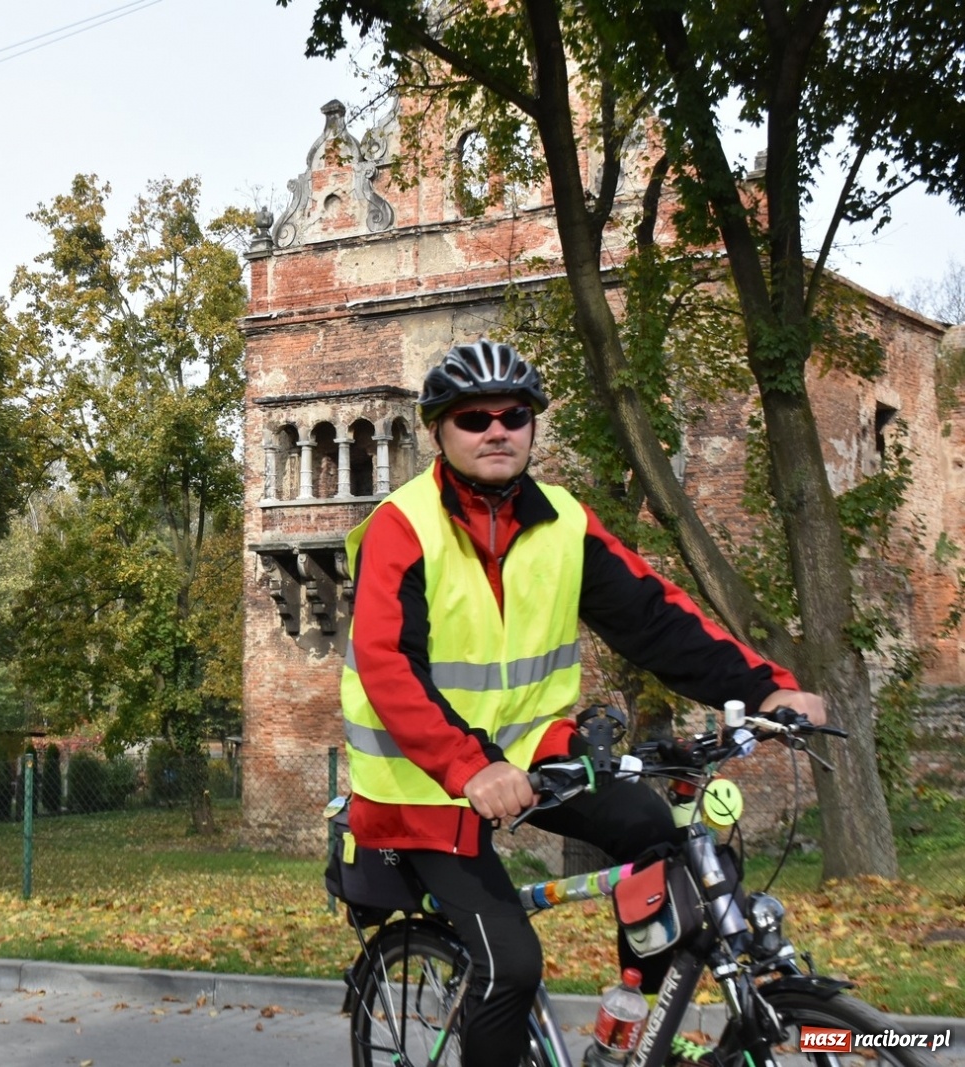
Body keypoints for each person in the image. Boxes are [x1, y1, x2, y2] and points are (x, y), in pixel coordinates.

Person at [341, 340, 825, 1067]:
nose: (496, 429)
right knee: (510, 964)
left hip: (533, 756)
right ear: (439, 431)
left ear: (534, 426)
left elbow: (656, 619)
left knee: (659, 840)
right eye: (474, 417)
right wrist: (468, 766)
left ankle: (629, 1029)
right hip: (423, 787)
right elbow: (387, 665)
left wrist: (764, 688)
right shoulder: (402, 525)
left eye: (514, 414)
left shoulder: (564, 522)